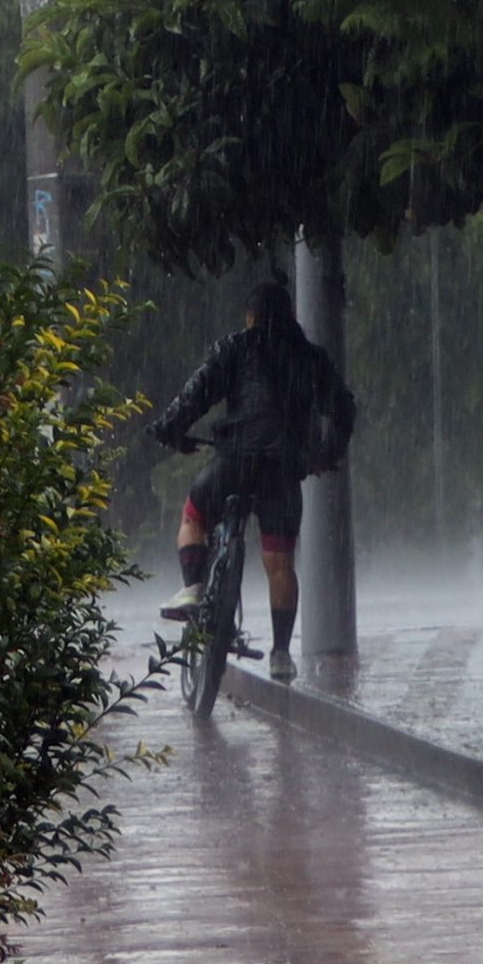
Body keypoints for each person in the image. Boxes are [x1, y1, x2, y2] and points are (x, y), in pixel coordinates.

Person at [149, 281, 356, 684]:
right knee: (279, 562)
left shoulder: (235, 347)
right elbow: (344, 407)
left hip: (235, 460)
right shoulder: (310, 358)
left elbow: (196, 394)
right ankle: (280, 653)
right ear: (292, 317)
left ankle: (193, 588)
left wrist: (170, 429)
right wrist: (326, 454)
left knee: (194, 515)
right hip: (283, 470)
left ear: (251, 317)